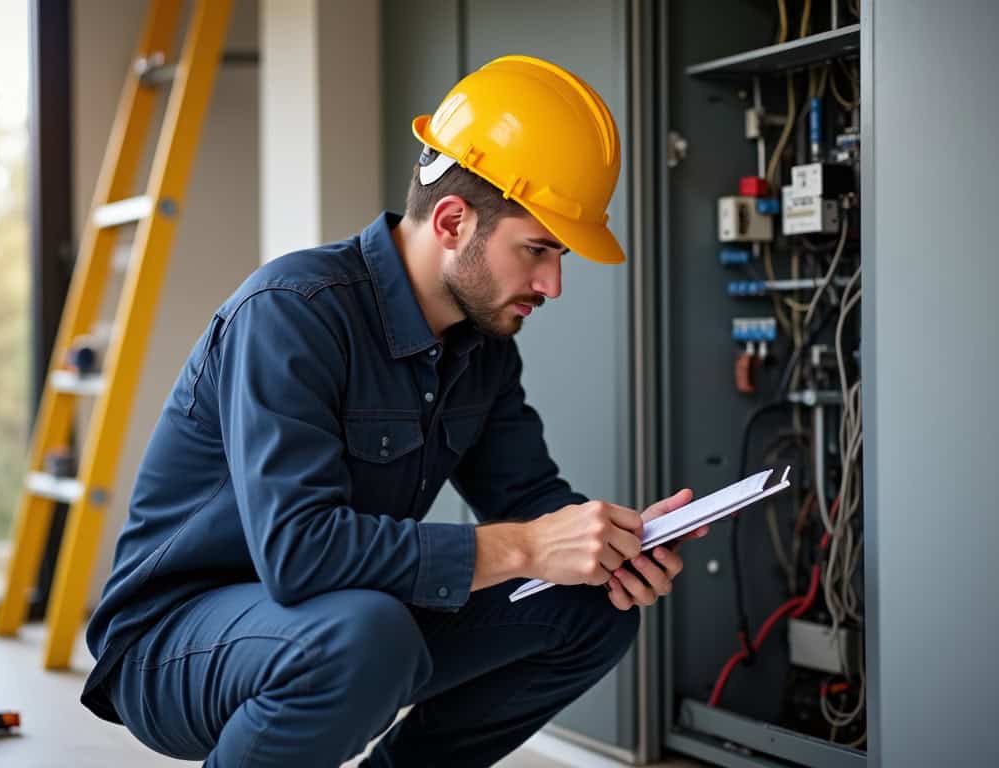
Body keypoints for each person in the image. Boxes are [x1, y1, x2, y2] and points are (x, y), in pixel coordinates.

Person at [80, 54, 705, 767]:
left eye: (558, 255)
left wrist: (613, 547)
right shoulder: (292, 313)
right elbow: (299, 554)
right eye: (536, 250)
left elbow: (532, 502)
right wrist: (528, 548)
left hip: (343, 612)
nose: (552, 284)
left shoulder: (485, 346)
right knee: (362, 634)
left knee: (586, 607)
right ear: (451, 220)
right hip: (177, 641)